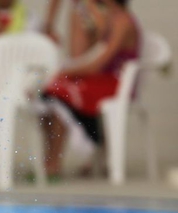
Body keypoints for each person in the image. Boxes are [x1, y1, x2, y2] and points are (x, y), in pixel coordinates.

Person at [41, 0, 140, 178]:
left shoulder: (122, 22)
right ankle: (51, 160)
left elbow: (98, 63)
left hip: (114, 84)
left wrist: (65, 72)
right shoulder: (111, 19)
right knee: (52, 91)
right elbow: (93, 53)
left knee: (59, 92)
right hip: (102, 80)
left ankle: (53, 164)